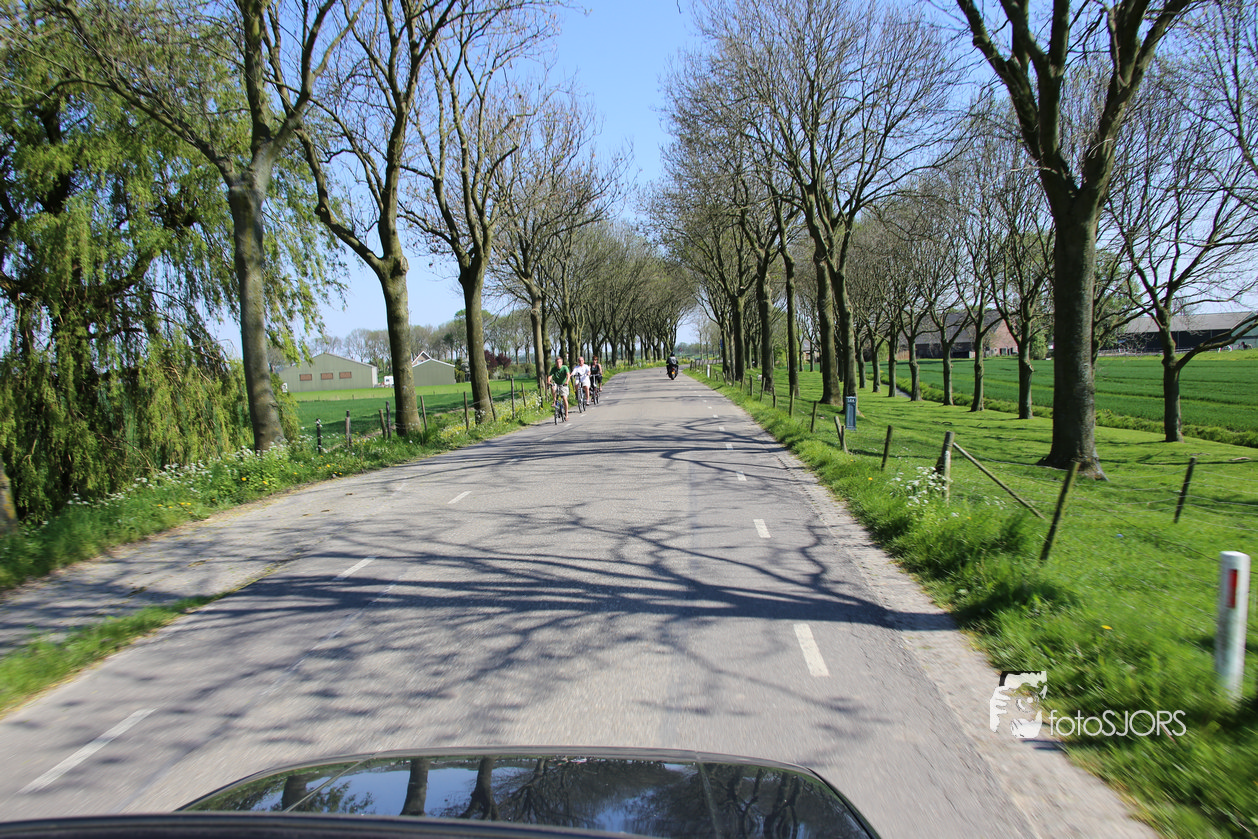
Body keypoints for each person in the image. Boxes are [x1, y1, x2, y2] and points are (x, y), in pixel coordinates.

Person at [548, 356, 570, 421]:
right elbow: (550, 376)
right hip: (556, 383)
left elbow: (568, 375)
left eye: (559, 362)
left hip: (563, 384)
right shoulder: (553, 369)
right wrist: (548, 381)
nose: (558, 363)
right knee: (553, 387)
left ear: (562, 362)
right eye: (557, 362)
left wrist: (567, 381)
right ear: (555, 363)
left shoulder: (565, 367)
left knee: (564, 398)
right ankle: (555, 401)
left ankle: (566, 414)